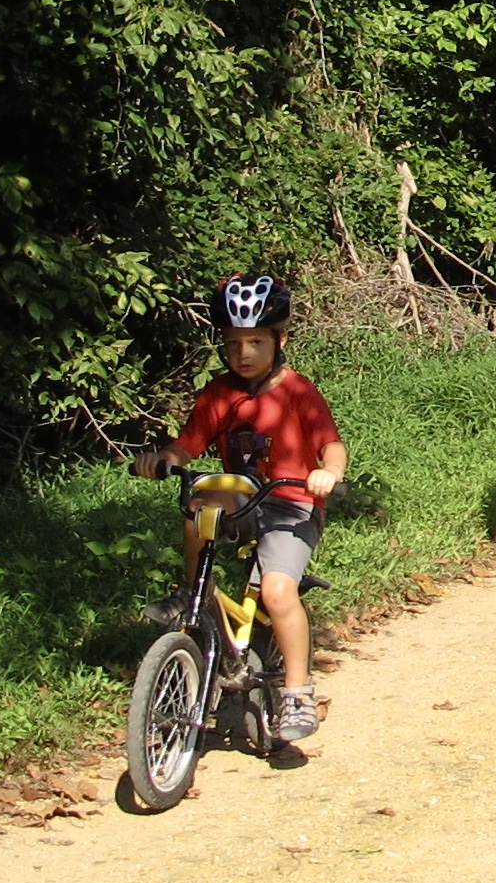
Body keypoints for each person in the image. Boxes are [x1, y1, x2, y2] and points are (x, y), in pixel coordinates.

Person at [132, 274, 346, 742]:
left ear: (280, 340)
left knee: (276, 591)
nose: (243, 353)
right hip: (244, 496)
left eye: (255, 341)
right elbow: (186, 446)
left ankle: (297, 692)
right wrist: (164, 460)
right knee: (199, 499)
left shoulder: (298, 392)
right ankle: (193, 595)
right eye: (233, 343)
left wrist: (327, 472)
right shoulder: (218, 393)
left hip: (291, 506)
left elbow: (331, 445)